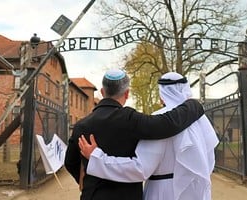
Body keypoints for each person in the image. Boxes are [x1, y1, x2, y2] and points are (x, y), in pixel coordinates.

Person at [64, 69, 205, 200]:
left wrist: (87, 179)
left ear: (102, 92)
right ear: (127, 93)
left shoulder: (81, 125)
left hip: (92, 195)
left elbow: (70, 162)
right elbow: (166, 124)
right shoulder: (131, 119)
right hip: (127, 195)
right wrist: (194, 105)